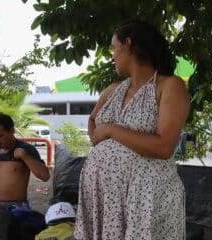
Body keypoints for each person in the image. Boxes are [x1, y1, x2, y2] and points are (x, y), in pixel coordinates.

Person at [74, 20, 190, 239]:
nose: (112, 56)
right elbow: (92, 121)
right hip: (104, 197)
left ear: (128, 44)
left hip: (144, 199)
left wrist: (110, 131)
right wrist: (98, 141)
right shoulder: (113, 89)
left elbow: (164, 147)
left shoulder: (169, 85)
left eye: (113, 48)